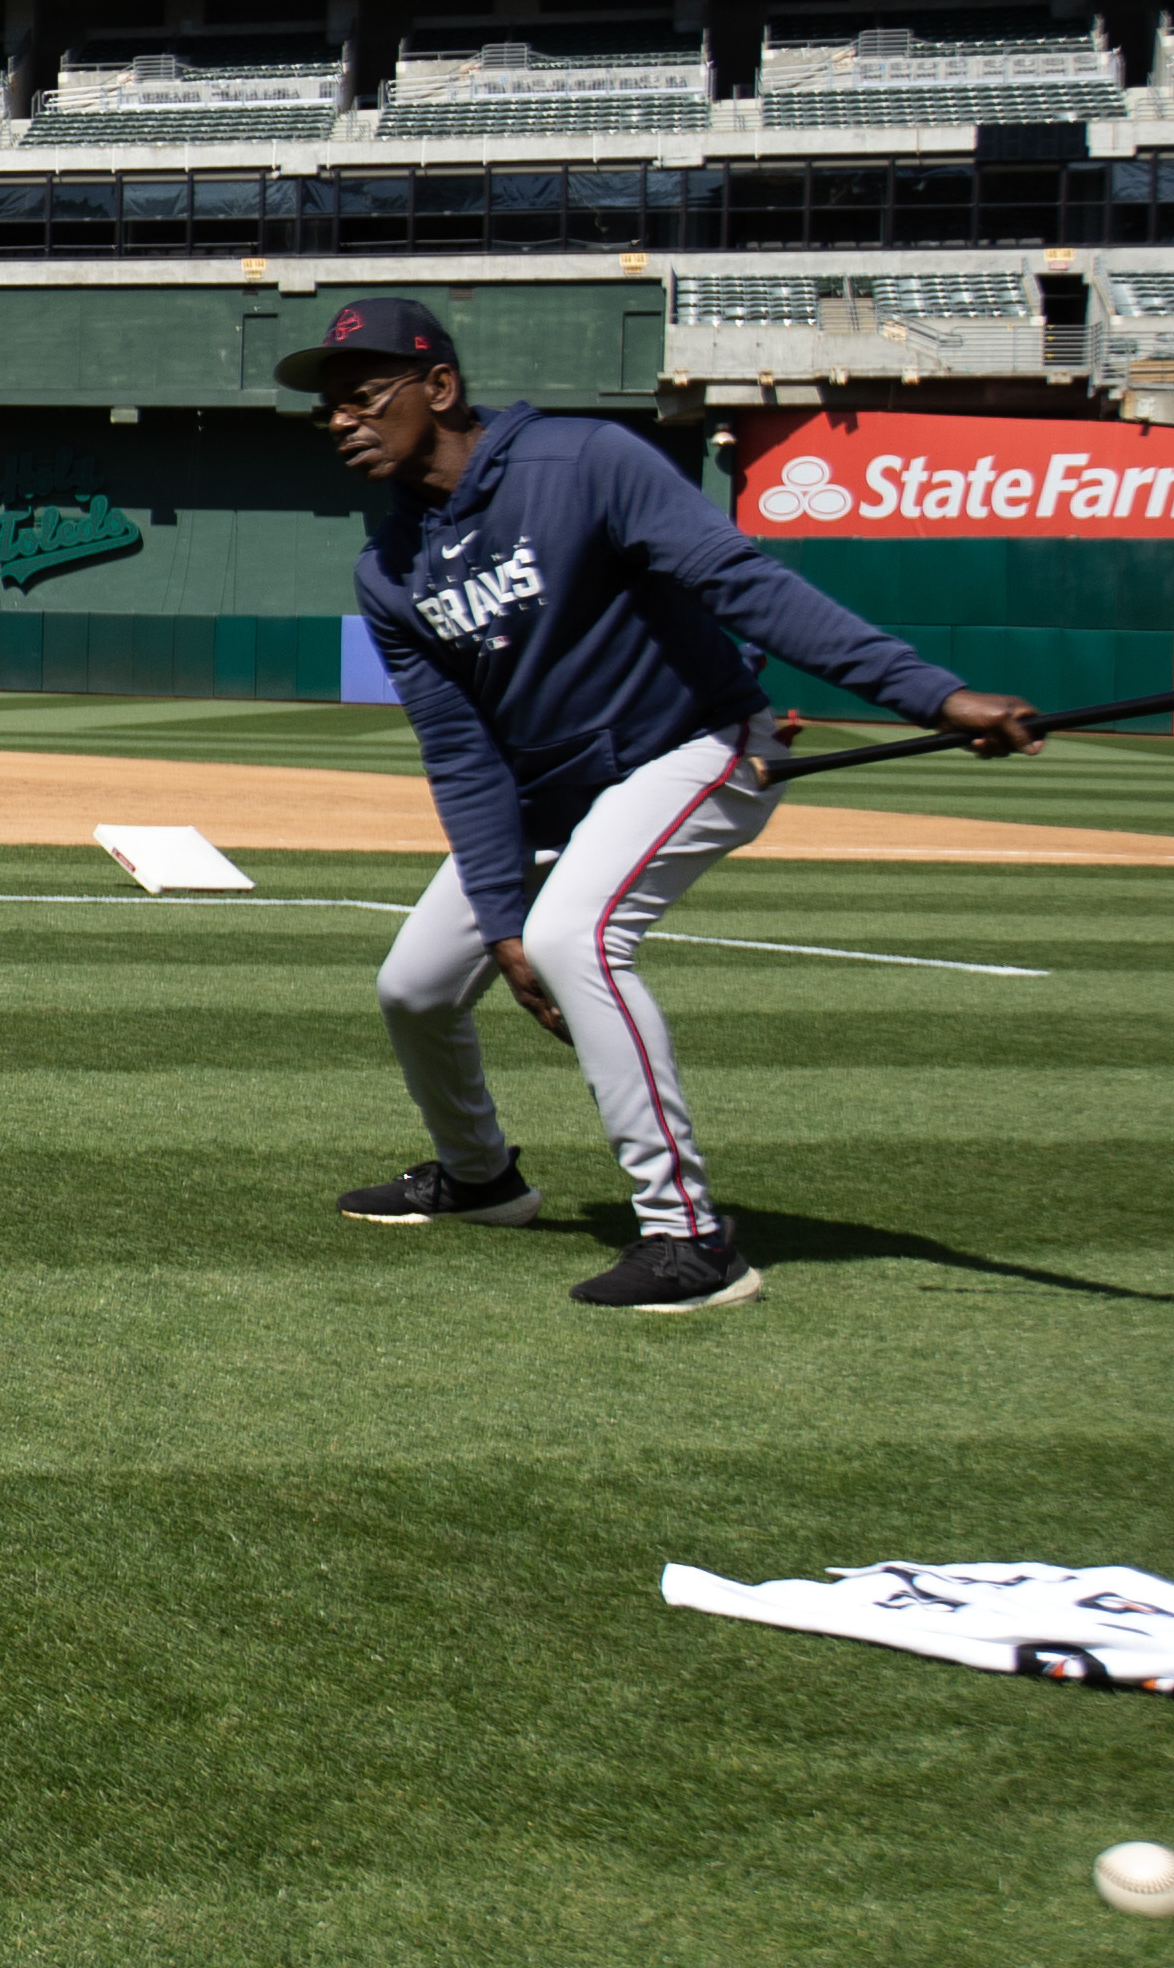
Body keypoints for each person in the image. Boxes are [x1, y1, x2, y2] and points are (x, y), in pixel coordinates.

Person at [289, 299, 1037, 1311]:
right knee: (415, 989)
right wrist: (497, 921)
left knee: (577, 940)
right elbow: (461, 754)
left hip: (697, 746)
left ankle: (690, 1239)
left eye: (364, 395)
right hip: (555, 800)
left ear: (441, 388)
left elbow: (742, 581)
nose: (342, 420)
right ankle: (480, 1178)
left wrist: (935, 695)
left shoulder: (584, 460)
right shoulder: (390, 570)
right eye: (330, 407)